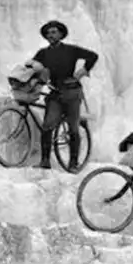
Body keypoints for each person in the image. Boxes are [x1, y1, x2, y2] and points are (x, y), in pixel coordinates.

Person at [31, 20, 99, 170]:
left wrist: (83, 71)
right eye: (48, 33)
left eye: (54, 32)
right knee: (47, 126)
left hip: (72, 92)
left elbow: (93, 56)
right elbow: (32, 66)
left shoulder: (71, 50)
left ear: (61, 34)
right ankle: (45, 161)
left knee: (73, 128)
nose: (51, 35)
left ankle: (73, 163)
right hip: (55, 93)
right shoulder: (43, 53)